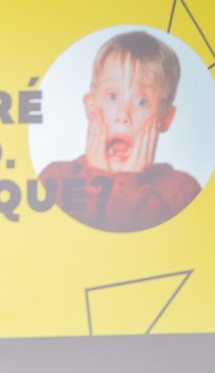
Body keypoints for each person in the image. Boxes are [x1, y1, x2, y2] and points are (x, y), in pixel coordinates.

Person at [38, 30, 201, 233]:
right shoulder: (55, 179)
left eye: (141, 101)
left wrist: (128, 181)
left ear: (165, 119)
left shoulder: (181, 191)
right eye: (112, 96)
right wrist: (97, 177)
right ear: (91, 106)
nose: (123, 114)